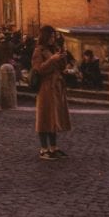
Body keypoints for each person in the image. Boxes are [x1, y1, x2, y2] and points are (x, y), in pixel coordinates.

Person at [31, 25, 71, 161]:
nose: (53, 39)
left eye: (55, 36)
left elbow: (62, 67)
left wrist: (62, 57)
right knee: (44, 117)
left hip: (56, 87)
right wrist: (51, 60)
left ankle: (54, 147)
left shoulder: (54, 49)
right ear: (46, 36)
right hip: (45, 87)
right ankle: (44, 149)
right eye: (51, 36)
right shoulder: (38, 51)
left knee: (54, 117)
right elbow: (38, 70)